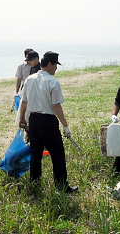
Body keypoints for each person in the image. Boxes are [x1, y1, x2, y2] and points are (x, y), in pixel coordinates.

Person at [19, 51, 78, 193]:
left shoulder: (30, 79)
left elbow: (24, 102)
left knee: (35, 154)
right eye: (55, 65)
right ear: (49, 64)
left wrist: (22, 119)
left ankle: (35, 184)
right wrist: (65, 126)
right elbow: (56, 107)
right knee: (57, 154)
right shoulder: (53, 82)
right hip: (48, 121)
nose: (56, 68)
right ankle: (62, 186)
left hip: (33, 120)